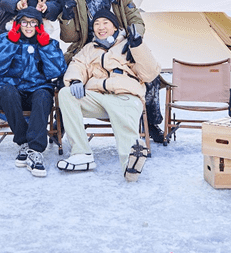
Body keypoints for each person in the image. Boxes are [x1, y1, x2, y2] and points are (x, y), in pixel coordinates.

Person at [59, 0, 165, 143]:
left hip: (119, 43)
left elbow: (135, 18)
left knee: (151, 78)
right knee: (62, 77)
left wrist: (134, 38)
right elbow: (70, 37)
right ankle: (64, 126)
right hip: (87, 46)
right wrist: (66, 16)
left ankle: (150, 123)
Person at [57, 9, 161, 181]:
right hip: (97, 97)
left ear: (114, 26)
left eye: (105, 23)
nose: (101, 27)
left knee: (126, 124)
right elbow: (78, 65)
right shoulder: (89, 48)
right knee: (66, 94)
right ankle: (82, 153)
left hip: (125, 95)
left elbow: (150, 73)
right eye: (97, 24)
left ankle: (131, 164)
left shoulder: (129, 44)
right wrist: (75, 80)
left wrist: (138, 47)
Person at [0, 7, 67, 177]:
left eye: (33, 23)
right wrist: (11, 43)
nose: (28, 26)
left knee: (44, 95)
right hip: (10, 91)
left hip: (36, 90)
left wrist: (45, 47)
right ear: (17, 24)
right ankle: (23, 141)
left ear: (39, 25)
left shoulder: (49, 43)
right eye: (24, 22)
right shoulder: (2, 40)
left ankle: (35, 150)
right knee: (8, 92)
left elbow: (57, 71)